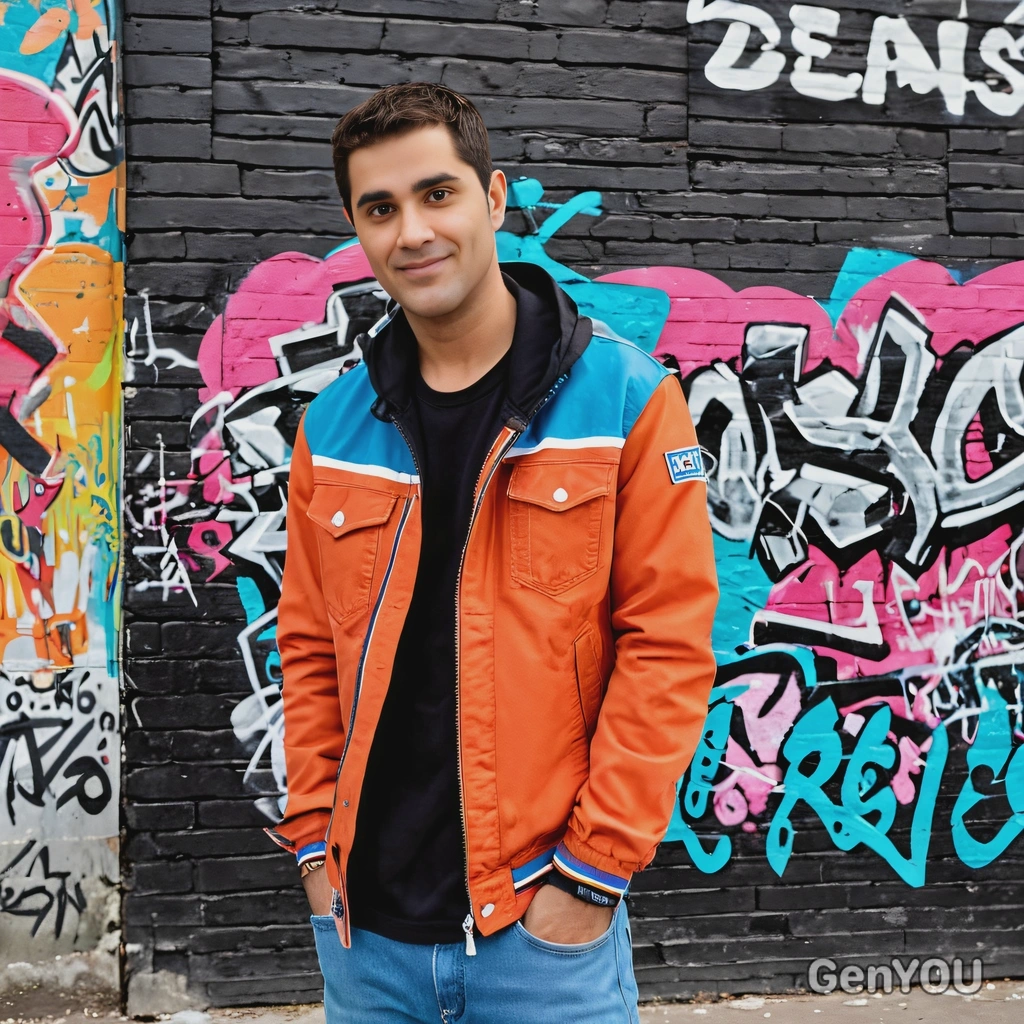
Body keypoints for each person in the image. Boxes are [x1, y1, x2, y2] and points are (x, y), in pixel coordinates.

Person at [266, 82, 719, 1024]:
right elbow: (307, 650)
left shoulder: (626, 400)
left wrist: (590, 879)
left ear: (495, 197)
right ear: (356, 229)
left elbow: (667, 648)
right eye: (380, 209)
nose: (413, 232)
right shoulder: (334, 425)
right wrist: (313, 846)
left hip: (541, 939)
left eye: (438, 194)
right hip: (365, 944)